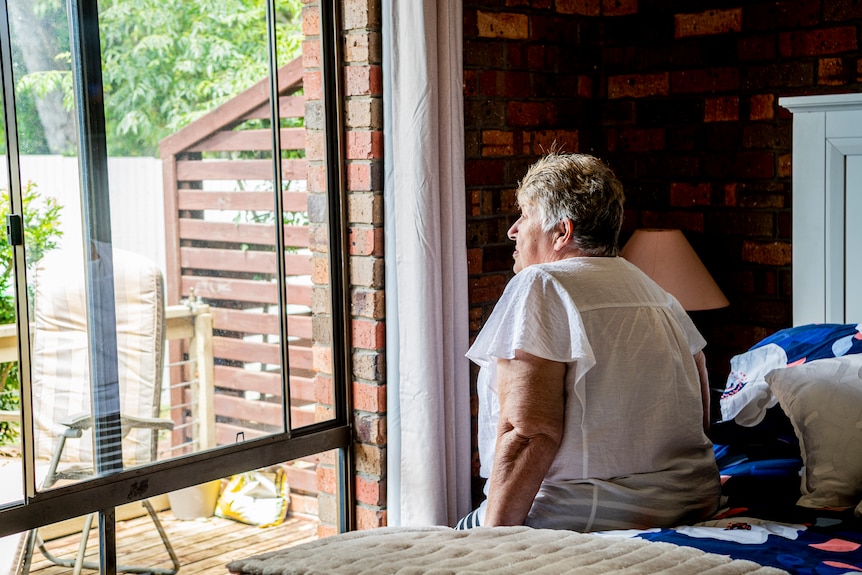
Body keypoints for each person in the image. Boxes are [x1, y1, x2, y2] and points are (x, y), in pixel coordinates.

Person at [455, 153, 720, 532]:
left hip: (586, 514)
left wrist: (494, 539)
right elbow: (702, 414)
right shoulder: (658, 294)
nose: (513, 230)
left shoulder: (542, 284)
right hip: (690, 506)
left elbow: (529, 433)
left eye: (525, 216)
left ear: (562, 232)